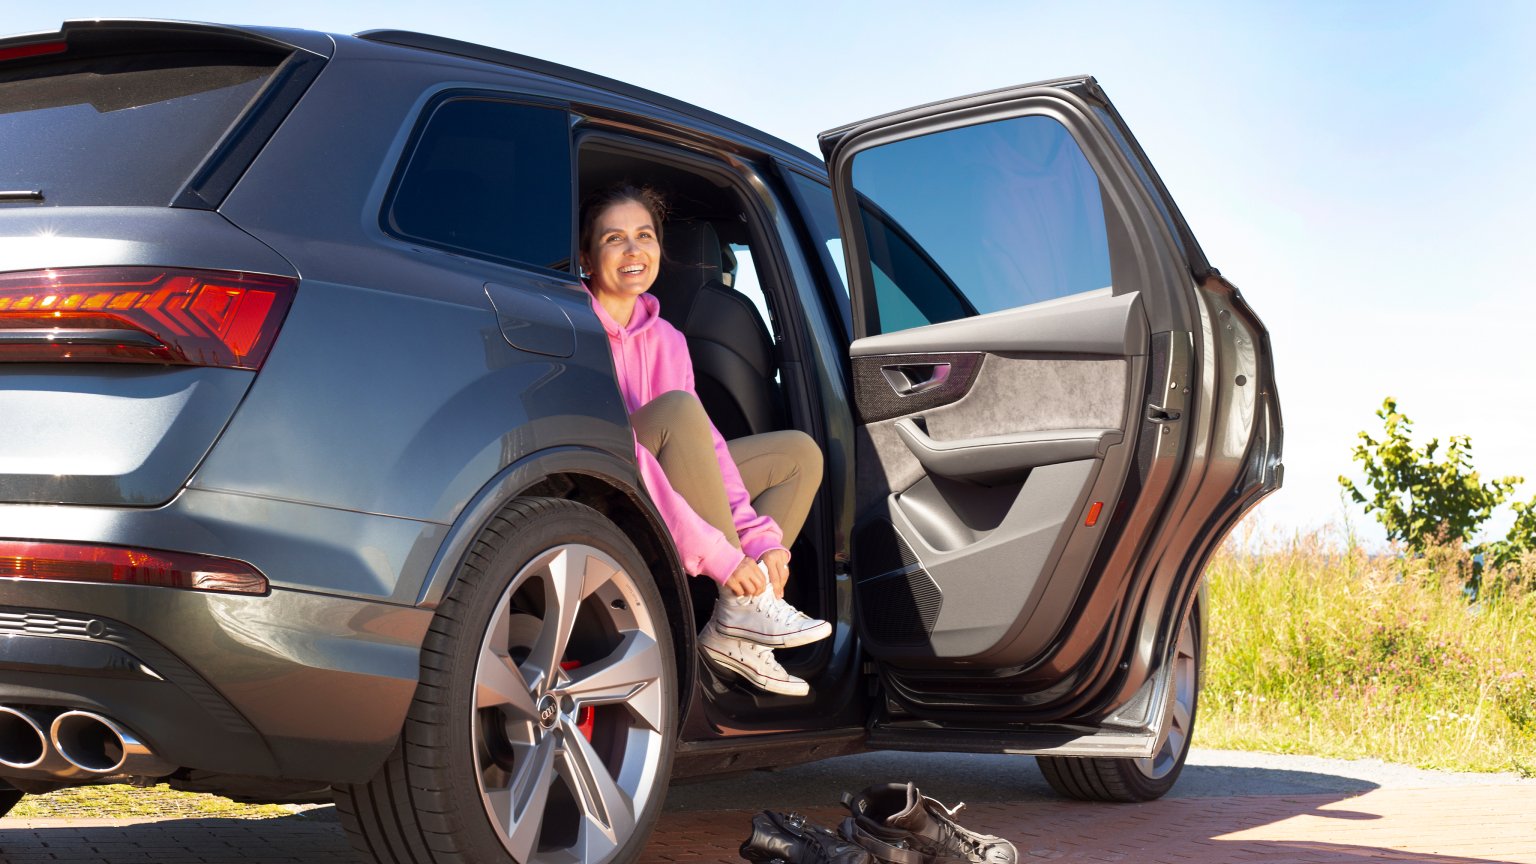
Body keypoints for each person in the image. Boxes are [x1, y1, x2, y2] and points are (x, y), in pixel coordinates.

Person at [579, 182, 830, 697]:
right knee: (678, 410)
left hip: (668, 466)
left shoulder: (668, 338)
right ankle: (739, 603)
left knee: (798, 455)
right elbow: (629, 453)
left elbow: (708, 448)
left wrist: (763, 541)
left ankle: (738, 627)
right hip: (608, 475)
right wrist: (721, 557)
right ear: (587, 256)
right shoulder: (572, 324)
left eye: (644, 236)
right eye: (614, 239)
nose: (633, 251)